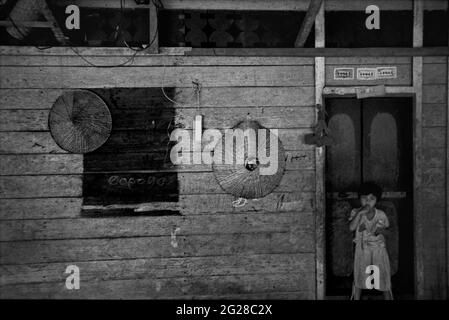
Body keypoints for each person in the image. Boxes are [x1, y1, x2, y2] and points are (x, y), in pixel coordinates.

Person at [349, 182, 393, 300]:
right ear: (359, 199)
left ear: (376, 200)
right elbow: (351, 228)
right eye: (364, 198)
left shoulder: (381, 215)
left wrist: (380, 231)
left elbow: (389, 233)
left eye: (371, 198)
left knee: (383, 278)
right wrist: (359, 213)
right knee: (359, 278)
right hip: (362, 250)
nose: (367, 201)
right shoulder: (355, 212)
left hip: (379, 251)